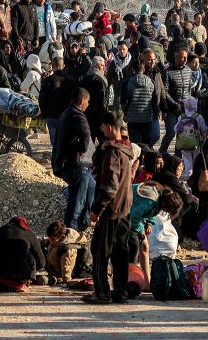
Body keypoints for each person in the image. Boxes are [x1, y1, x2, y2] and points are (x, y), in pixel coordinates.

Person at [85, 111, 134, 304]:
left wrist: (97, 209)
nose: (101, 129)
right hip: (125, 208)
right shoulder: (125, 148)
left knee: (99, 251)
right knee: (121, 252)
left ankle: (102, 292)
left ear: (110, 127)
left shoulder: (114, 153)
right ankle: (121, 290)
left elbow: (109, 186)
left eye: (103, 126)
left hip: (111, 210)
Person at [55, 88, 95, 231]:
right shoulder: (78, 116)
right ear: (82, 100)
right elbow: (85, 135)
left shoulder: (66, 113)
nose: (88, 105)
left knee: (91, 188)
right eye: (88, 102)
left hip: (74, 163)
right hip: (76, 164)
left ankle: (84, 223)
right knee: (77, 200)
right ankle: (71, 230)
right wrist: (83, 149)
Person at [0, 217, 45, 292]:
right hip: (20, 279)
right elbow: (42, 263)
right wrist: (30, 273)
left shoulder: (0, 231)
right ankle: (21, 285)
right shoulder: (29, 233)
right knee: (29, 254)